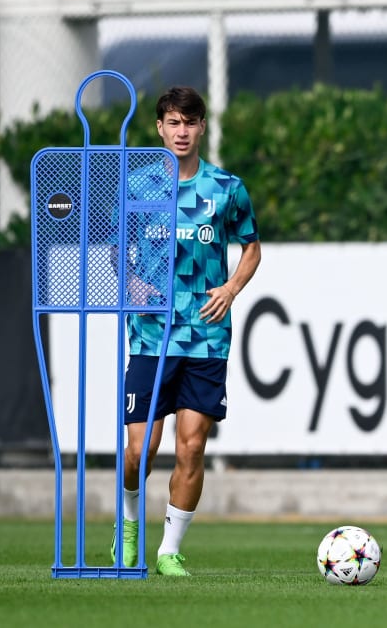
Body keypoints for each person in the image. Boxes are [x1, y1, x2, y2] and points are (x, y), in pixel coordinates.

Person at [113, 86, 261, 576]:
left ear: (202, 128)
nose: (182, 132)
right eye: (173, 123)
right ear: (160, 127)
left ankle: (169, 550)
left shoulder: (226, 187)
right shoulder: (138, 187)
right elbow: (117, 251)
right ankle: (128, 527)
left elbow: (251, 247)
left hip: (206, 336)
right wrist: (131, 280)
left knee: (191, 446)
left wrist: (232, 288)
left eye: (190, 123)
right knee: (139, 451)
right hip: (151, 337)